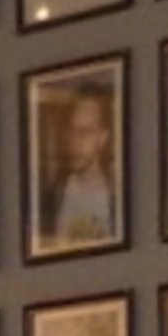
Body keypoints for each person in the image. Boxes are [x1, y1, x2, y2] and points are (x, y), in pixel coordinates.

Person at [45, 87, 118, 247]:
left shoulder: (117, 196)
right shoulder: (55, 194)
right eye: (71, 130)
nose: (75, 141)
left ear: (103, 137)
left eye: (85, 132)